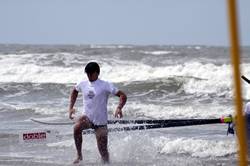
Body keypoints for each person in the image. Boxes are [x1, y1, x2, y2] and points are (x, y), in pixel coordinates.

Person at [68, 62, 127, 164]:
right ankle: (79, 155)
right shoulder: (83, 83)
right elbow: (74, 91)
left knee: (103, 152)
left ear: (97, 73)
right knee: (76, 128)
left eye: (91, 73)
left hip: (100, 122)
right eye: (87, 74)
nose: (89, 76)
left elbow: (123, 95)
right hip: (87, 119)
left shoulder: (105, 85)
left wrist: (119, 108)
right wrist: (70, 108)